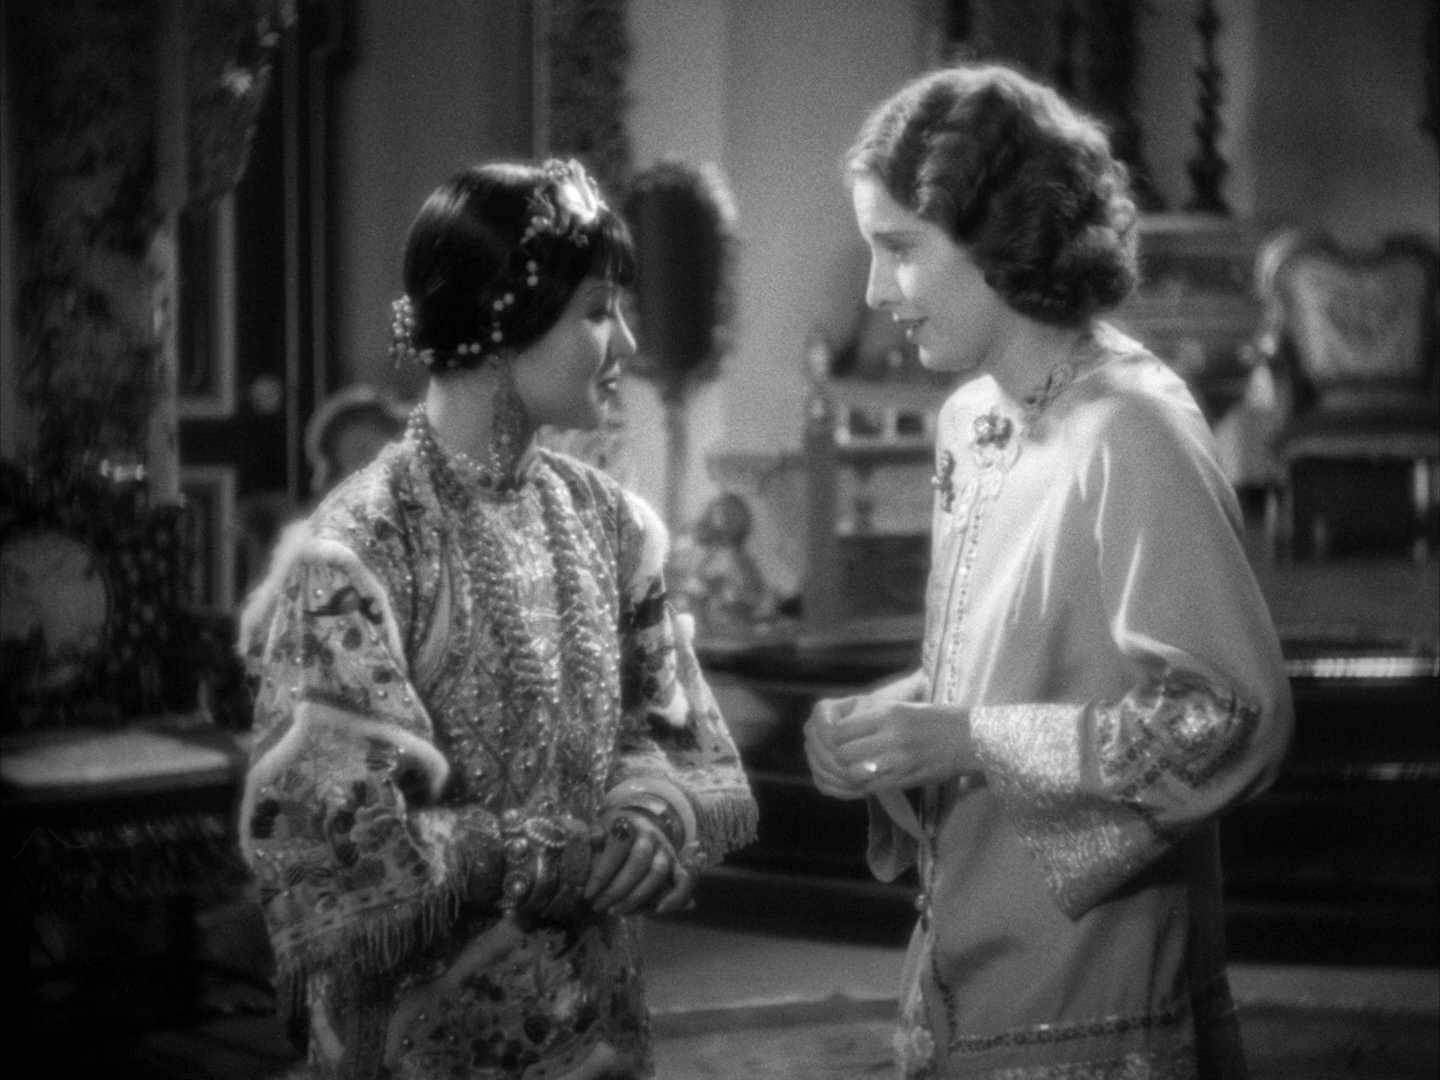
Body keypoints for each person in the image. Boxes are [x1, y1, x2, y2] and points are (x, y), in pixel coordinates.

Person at [804, 64, 1293, 1080]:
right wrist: (893, 725)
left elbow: (1228, 715)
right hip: (965, 935)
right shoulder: (971, 418)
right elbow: (1021, 662)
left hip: (1093, 978)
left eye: (900, 248)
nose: (874, 292)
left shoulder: (1132, 428)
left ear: (1001, 238)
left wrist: (967, 736)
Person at [237, 158, 757, 1080]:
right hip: (422, 1037)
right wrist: (544, 856)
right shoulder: (364, 546)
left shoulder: (608, 521)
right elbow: (336, 837)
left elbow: (674, 735)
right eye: (597, 311)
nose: (626, 343)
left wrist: (649, 823)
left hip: (595, 1021)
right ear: (499, 321)